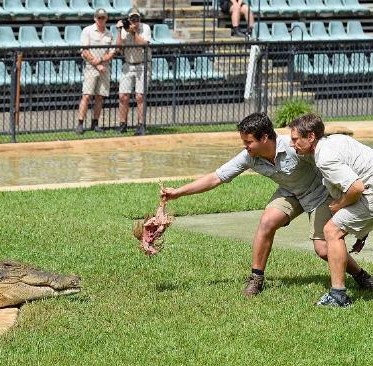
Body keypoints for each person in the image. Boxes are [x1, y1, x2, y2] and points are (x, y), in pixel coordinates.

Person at [160, 112, 373, 297]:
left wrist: (345, 205)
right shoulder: (250, 157)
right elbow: (216, 177)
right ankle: (256, 279)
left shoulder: (295, 147)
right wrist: (178, 193)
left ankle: (361, 276)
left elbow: (331, 168)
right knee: (267, 221)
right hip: (290, 193)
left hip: (319, 196)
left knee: (323, 250)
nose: (245, 147)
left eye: (248, 142)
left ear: (264, 138)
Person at [289, 114, 373, 307]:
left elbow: (356, 187)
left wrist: (338, 205)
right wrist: (362, 233)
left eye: (295, 139)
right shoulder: (336, 140)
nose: (293, 145)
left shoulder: (325, 157)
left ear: (310, 137)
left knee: (331, 230)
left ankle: (338, 296)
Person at [76, 8, 115, 135]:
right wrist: (97, 64)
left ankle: (95, 123)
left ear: (106, 18)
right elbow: (85, 51)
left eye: (103, 17)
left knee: (100, 97)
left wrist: (102, 60)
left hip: (104, 68)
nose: (101, 19)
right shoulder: (87, 30)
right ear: (95, 18)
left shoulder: (109, 34)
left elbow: (112, 52)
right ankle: (80, 123)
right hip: (91, 67)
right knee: (86, 96)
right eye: (99, 17)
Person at [115, 7, 151, 136]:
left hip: (142, 65)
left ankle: (141, 125)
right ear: (129, 19)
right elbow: (118, 49)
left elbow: (144, 44)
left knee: (140, 96)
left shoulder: (145, 28)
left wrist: (134, 32)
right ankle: (122, 124)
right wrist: (119, 31)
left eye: (137, 18)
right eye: (132, 19)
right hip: (128, 65)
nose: (135, 21)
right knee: (123, 96)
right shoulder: (124, 30)